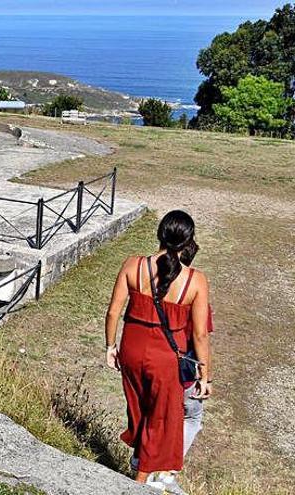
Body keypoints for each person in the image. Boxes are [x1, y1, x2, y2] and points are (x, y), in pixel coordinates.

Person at [104, 210, 213, 492]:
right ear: (188, 240)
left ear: (160, 233)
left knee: (139, 410)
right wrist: (204, 375)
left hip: (131, 347)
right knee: (160, 418)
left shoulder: (133, 265)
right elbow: (200, 334)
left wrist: (110, 346)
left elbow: (114, 311)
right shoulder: (195, 280)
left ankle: (139, 464)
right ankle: (138, 484)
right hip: (166, 357)